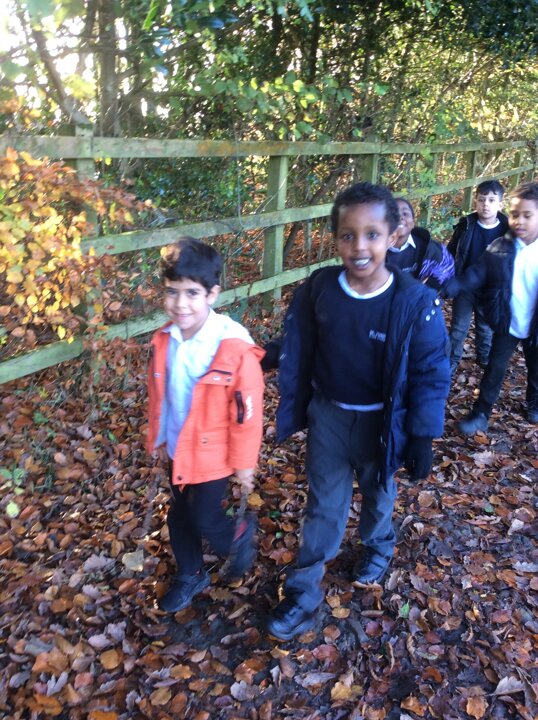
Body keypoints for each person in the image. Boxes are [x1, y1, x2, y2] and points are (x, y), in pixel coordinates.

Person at [265, 182, 451, 641]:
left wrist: (422, 435)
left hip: (381, 424)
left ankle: (378, 543)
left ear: (394, 235)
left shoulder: (413, 303)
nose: (359, 246)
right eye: (348, 235)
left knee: (377, 492)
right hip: (329, 417)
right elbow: (301, 339)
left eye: (372, 234)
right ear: (336, 239)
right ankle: (302, 593)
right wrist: (269, 356)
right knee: (323, 507)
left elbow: (431, 372)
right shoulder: (321, 289)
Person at [146, 238, 265, 612]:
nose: (180, 303)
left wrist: (244, 464)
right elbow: (161, 394)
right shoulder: (166, 339)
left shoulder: (231, 346)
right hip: (178, 447)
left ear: (212, 294)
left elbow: (247, 414)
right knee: (179, 514)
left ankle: (237, 536)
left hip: (214, 454)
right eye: (172, 291)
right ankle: (191, 574)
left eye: (192, 293)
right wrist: (160, 437)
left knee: (202, 514)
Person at [446, 182, 538, 434]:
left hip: (535, 327)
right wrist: (450, 287)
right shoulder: (502, 247)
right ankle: (480, 413)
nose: (519, 221)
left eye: (527, 215)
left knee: (536, 368)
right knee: (494, 368)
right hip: (508, 322)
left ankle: (534, 402)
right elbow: (477, 273)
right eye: (515, 214)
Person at [447, 180, 508, 374]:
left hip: (490, 290)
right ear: (475, 201)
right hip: (465, 287)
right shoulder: (466, 225)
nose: (486, 204)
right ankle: (451, 361)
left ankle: (484, 358)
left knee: (485, 328)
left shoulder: (507, 230)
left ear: (500, 204)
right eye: (481, 199)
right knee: (458, 327)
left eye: (491, 200)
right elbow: (451, 252)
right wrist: (449, 278)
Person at [386, 197, 454, 291]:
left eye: (405, 214)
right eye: (393, 214)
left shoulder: (433, 250)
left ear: (413, 222)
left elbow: (445, 275)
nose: (400, 217)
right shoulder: (373, 251)